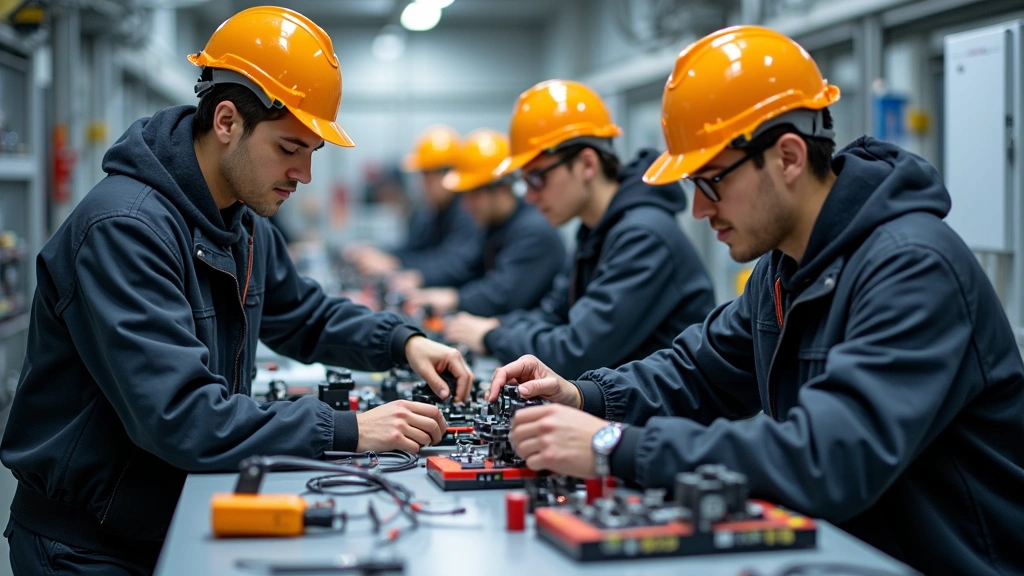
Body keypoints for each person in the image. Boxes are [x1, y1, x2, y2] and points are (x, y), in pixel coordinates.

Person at [489, 26, 1024, 576]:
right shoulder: (785, 266)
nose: (698, 209)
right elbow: (697, 370)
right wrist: (583, 395)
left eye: (712, 182)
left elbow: (826, 457)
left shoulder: (911, 265)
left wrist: (613, 444)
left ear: (788, 156)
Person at [0, 7, 472, 575]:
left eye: (312, 153)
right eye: (289, 148)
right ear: (227, 121)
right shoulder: (125, 229)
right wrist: (349, 428)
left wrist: (402, 342)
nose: (305, 175)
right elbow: (180, 416)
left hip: (166, 516)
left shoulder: (237, 222)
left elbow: (303, 315)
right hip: (86, 549)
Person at [445, 80, 716, 377]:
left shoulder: (643, 236)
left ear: (587, 164)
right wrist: (500, 327)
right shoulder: (595, 232)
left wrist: (492, 336)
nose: (531, 197)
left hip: (665, 420)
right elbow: (553, 315)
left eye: (538, 179)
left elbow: (577, 351)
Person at [409, 129, 565, 317]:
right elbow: (465, 267)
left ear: (500, 190)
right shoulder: (494, 226)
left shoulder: (535, 231)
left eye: (474, 195)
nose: (466, 206)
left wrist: (454, 298)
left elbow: (503, 295)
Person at [345, 125, 480, 283]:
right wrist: (379, 252)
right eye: (422, 175)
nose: (424, 184)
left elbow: (454, 263)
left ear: (448, 174)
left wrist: (395, 265)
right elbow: (412, 249)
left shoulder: (469, 210)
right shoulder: (430, 212)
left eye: (428, 176)